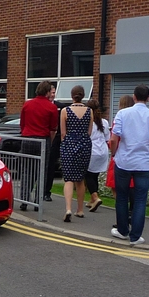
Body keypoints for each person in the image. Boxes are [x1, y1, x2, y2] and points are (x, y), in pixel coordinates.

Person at [110, 85, 149, 245]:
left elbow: (114, 139)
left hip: (124, 161)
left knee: (121, 197)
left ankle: (122, 231)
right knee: (140, 200)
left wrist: (114, 154)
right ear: (148, 98)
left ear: (134, 97)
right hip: (144, 163)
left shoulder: (122, 114)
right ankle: (135, 236)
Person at [17, 81, 59, 211]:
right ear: (47, 92)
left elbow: (22, 124)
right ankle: (38, 201)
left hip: (27, 139)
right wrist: (49, 142)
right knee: (42, 171)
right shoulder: (51, 107)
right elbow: (53, 128)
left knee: (26, 170)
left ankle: (24, 200)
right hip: (42, 139)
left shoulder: (27, 104)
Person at [59, 85, 93, 222]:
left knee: (68, 179)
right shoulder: (89, 111)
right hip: (84, 145)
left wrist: (67, 142)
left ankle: (68, 209)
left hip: (69, 144)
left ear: (72, 96)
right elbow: (89, 132)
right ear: (83, 95)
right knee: (80, 179)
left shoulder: (65, 111)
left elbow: (62, 133)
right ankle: (80, 210)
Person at [84, 99, 110, 212]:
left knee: (88, 175)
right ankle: (91, 200)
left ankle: (95, 197)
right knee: (95, 176)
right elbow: (107, 138)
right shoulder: (104, 122)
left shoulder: (87, 121)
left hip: (92, 150)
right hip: (102, 151)